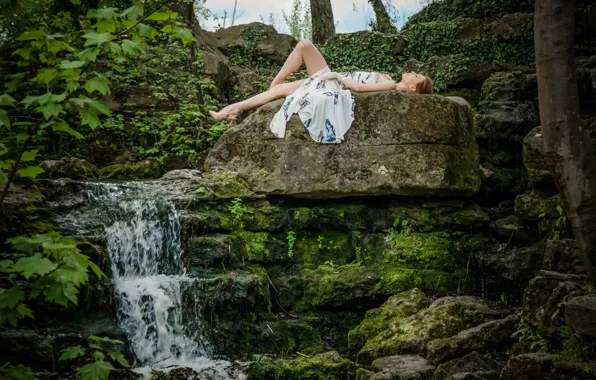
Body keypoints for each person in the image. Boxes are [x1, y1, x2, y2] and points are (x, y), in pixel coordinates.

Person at [209, 40, 433, 143]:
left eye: (416, 76)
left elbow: (359, 87)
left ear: (413, 87)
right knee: (280, 89)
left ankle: (232, 109)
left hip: (333, 84)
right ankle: (231, 110)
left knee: (304, 47)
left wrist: (336, 75)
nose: (413, 72)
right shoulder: (389, 81)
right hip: (330, 81)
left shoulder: (392, 84)